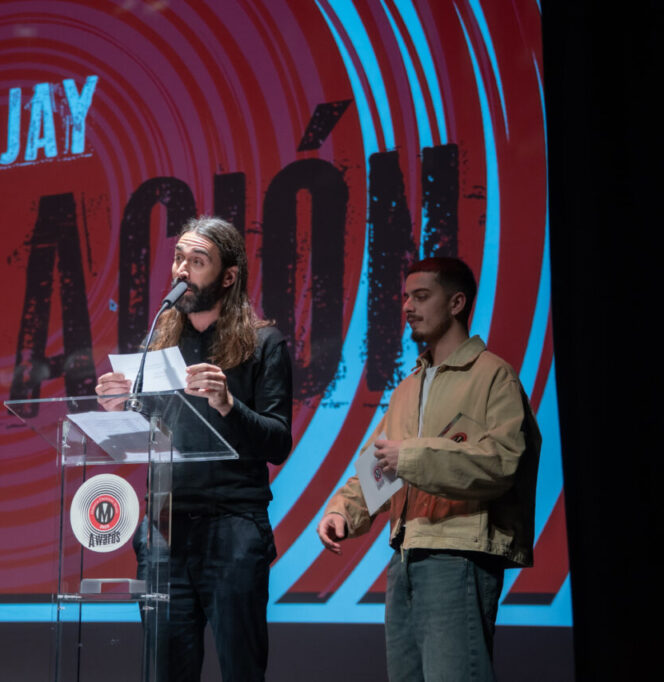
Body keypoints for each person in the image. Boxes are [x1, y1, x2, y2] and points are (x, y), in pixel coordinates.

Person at [317, 256, 541, 681]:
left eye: (421, 296)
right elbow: (381, 464)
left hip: (459, 553)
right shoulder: (408, 387)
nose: (407, 307)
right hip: (406, 555)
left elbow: (502, 461)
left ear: (457, 303)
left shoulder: (493, 376)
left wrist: (414, 456)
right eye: (405, 297)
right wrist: (343, 511)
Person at [96, 216, 293, 682]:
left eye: (197, 261)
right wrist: (118, 408)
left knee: (241, 669)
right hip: (165, 530)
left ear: (228, 276)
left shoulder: (263, 343)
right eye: (179, 258)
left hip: (233, 526)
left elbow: (278, 442)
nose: (182, 270)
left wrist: (228, 404)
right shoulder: (158, 345)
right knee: (164, 671)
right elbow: (152, 436)